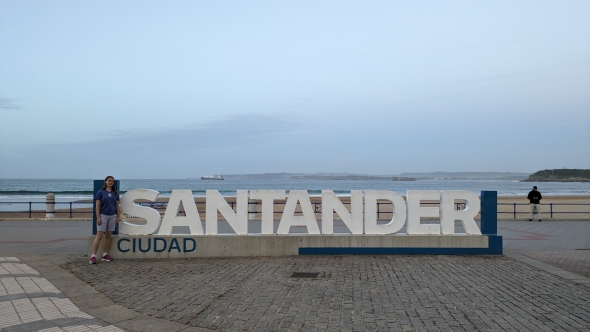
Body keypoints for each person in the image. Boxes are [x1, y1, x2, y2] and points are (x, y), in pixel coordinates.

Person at [90, 176, 121, 264]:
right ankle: (93, 256)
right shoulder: (100, 192)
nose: (110, 182)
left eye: (112, 181)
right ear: (105, 182)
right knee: (99, 236)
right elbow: (97, 206)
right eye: (109, 181)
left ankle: (105, 254)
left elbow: (117, 206)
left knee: (108, 236)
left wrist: (118, 216)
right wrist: (98, 217)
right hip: (103, 215)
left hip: (112, 216)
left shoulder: (115, 193)